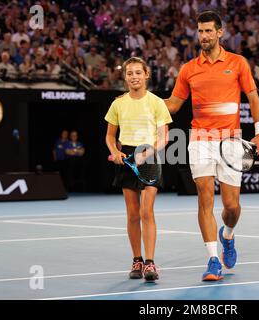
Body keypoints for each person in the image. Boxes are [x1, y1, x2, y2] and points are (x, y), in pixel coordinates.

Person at [164, 11, 259, 281]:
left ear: (220, 32)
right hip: (200, 139)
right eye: (200, 31)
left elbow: (253, 98)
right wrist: (144, 104)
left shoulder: (237, 63)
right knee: (205, 197)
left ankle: (228, 235)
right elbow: (174, 105)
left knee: (232, 207)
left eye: (209, 31)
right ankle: (212, 259)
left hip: (231, 140)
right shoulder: (188, 69)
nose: (204, 36)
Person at [105, 57, 172, 282]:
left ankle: (150, 263)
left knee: (146, 212)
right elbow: (110, 136)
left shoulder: (156, 103)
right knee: (133, 214)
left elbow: (165, 137)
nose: (134, 76)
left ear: (146, 75)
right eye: (130, 73)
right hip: (126, 159)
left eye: (137, 72)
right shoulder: (118, 103)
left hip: (149, 155)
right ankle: (137, 259)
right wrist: (115, 152)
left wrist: (147, 154)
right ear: (125, 77)